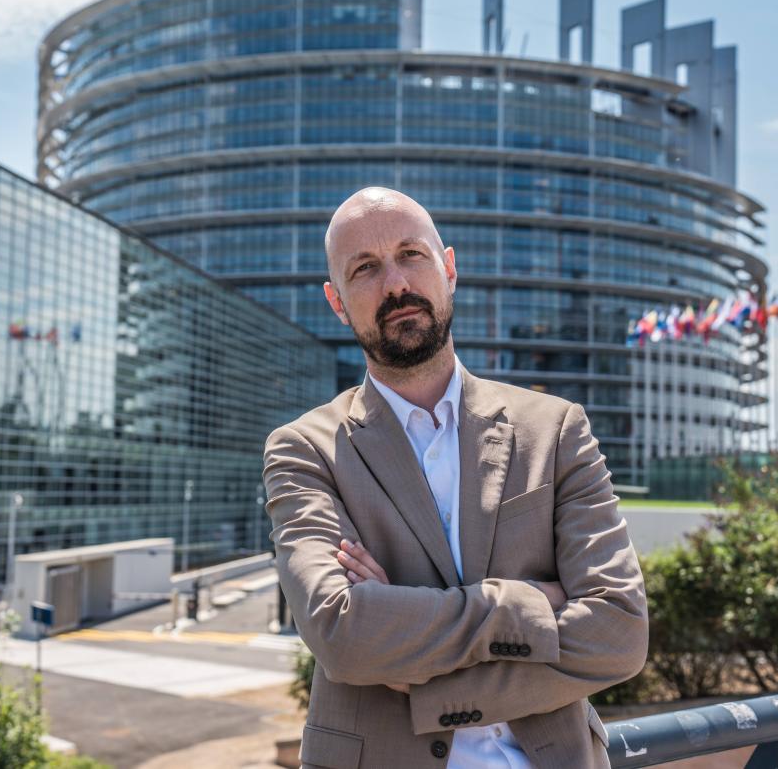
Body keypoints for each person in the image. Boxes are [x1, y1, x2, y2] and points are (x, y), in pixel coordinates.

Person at [262, 187, 647, 769]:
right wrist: (528, 604)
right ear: (336, 301)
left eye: (410, 255)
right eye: (365, 268)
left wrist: (413, 656)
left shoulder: (554, 429)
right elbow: (342, 634)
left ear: (448, 268)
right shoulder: (305, 450)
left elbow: (618, 632)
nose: (395, 284)